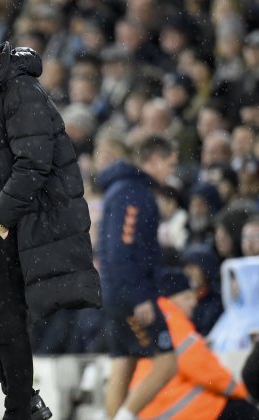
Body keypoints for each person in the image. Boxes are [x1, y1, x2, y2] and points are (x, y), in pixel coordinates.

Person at [0, 20, 101, 420]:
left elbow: (34, 164)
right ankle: (25, 402)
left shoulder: (20, 89)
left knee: (4, 318)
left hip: (4, 221)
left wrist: (0, 220)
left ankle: (19, 410)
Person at [98, 135, 179, 420]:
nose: (172, 171)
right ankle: (126, 417)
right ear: (154, 159)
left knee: (124, 363)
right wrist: (139, 296)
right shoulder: (133, 193)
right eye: (170, 163)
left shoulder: (122, 189)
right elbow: (123, 248)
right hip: (130, 295)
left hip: (114, 292)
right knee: (168, 363)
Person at [130, 270, 259, 420]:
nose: (194, 302)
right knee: (242, 410)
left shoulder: (156, 321)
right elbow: (204, 369)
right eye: (187, 297)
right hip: (180, 411)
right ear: (170, 299)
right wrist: (242, 392)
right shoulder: (173, 323)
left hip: (153, 410)